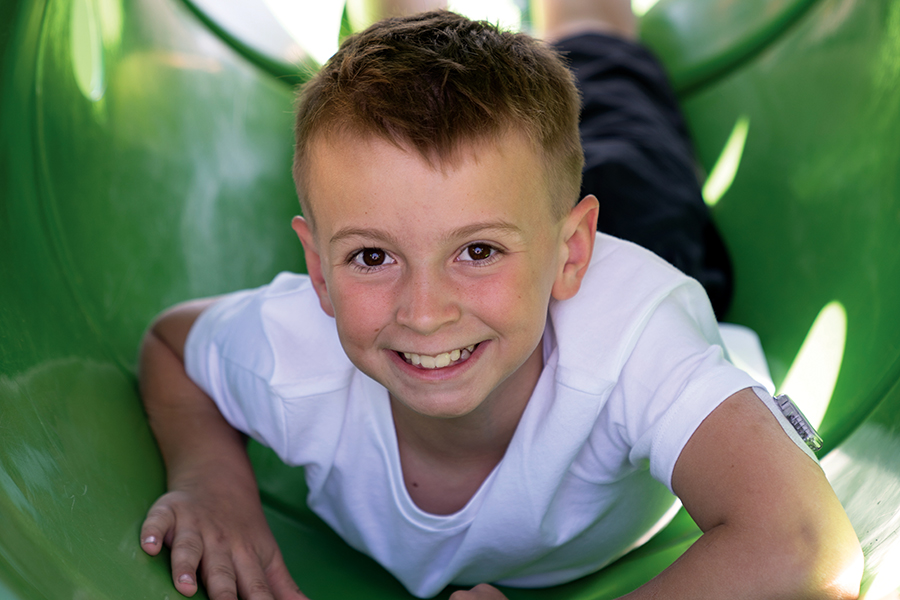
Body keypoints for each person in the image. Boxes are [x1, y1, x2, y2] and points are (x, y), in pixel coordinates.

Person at [137, 3, 863, 600]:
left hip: (638, 222)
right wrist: (212, 480)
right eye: (371, 256)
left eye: (476, 252)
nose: (425, 312)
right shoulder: (295, 352)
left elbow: (807, 545)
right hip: (515, 211)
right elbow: (171, 345)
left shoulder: (634, 338)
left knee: (605, 78)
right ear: (317, 273)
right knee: (412, 69)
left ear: (572, 252)